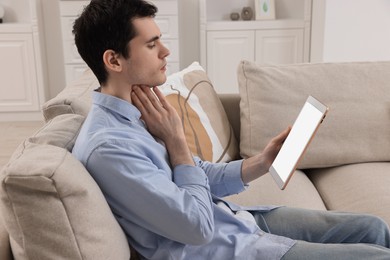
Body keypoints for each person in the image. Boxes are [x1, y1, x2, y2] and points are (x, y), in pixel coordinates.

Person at [71, 0, 390, 259]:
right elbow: (195, 228)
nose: (166, 52)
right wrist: (177, 141)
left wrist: (262, 162)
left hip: (237, 221)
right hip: (224, 249)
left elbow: (194, 175)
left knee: (374, 227)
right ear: (114, 60)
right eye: (152, 44)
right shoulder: (110, 149)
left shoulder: (140, 109)